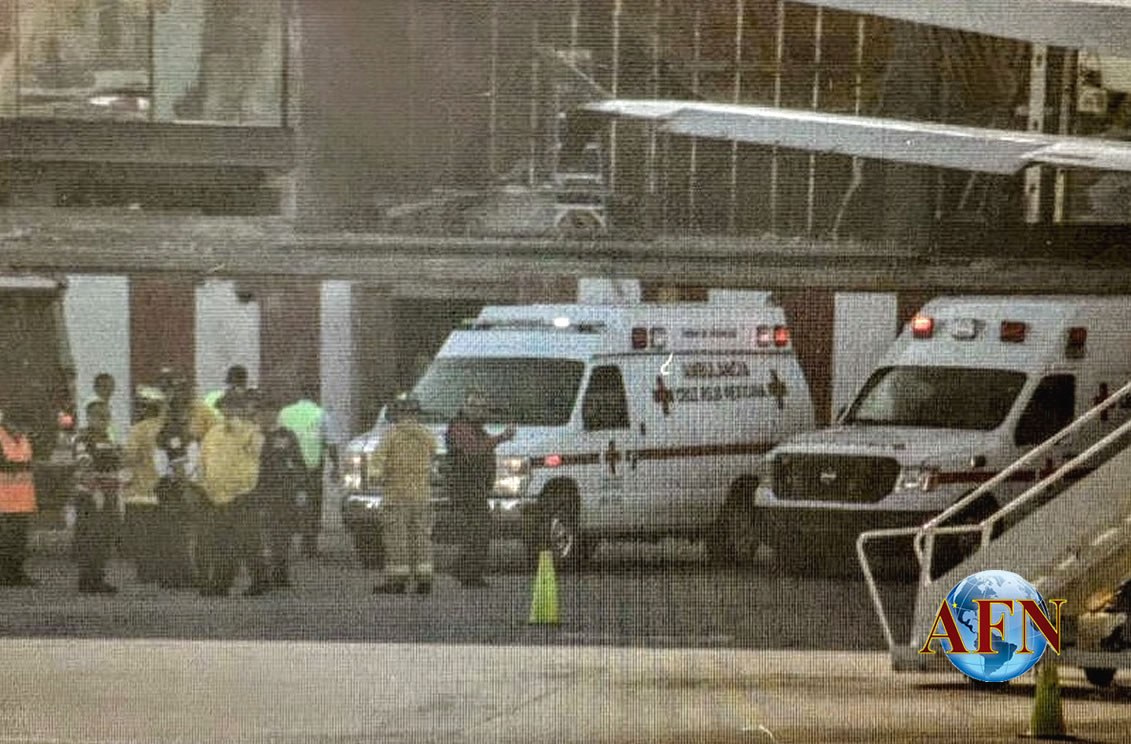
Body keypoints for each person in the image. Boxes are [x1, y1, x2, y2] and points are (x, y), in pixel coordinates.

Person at [198, 391, 267, 597]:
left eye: (234, 407)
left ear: (242, 409)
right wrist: (203, 483)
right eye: (225, 408)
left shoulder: (252, 431)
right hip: (217, 496)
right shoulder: (213, 433)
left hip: (243, 495)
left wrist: (240, 429)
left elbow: (259, 452)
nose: (229, 412)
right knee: (221, 542)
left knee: (249, 541)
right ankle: (220, 584)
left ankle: (260, 581)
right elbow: (204, 459)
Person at [444, 389, 515, 588]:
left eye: (482, 407)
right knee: (477, 531)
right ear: (465, 407)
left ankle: (469, 572)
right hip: (466, 487)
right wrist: (501, 437)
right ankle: (465, 570)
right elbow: (474, 450)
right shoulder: (460, 427)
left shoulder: (474, 428)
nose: (480, 411)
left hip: (475, 486)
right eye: (475, 406)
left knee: (478, 531)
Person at [373, 394, 438, 595]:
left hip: (396, 495)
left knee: (397, 538)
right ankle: (424, 580)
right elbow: (435, 454)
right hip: (421, 496)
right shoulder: (427, 435)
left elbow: (377, 463)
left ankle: (397, 581)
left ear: (399, 414)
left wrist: (376, 478)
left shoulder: (391, 435)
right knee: (421, 537)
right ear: (417, 414)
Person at [278, 382, 338, 558]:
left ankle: (284, 546)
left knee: (287, 505)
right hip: (311, 469)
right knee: (312, 506)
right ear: (316, 395)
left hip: (287, 468)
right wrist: (336, 467)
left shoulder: (285, 412)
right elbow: (331, 443)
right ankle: (309, 547)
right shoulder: (321, 414)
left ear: (300, 393)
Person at [253, 391, 305, 589]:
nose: (267, 416)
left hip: (284, 493)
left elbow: (298, 462)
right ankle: (263, 575)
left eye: (271, 412)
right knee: (262, 536)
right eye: (263, 412)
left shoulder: (286, 435)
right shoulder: (252, 435)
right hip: (259, 492)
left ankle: (281, 574)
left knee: (283, 536)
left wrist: (300, 489)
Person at [71, 400, 120, 594]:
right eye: (101, 416)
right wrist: (96, 491)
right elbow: (84, 466)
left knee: (105, 539)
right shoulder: (84, 438)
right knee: (91, 539)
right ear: (90, 417)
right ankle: (88, 580)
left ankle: (97, 578)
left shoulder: (107, 438)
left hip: (109, 494)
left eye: (107, 416)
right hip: (91, 497)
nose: (105, 420)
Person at [121, 386, 167, 583]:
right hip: (163, 489)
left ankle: (146, 573)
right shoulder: (166, 427)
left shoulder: (138, 430)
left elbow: (129, 457)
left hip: (140, 490)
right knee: (159, 534)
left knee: (142, 536)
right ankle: (160, 570)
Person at [0, 406, 37, 587]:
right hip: (3, 501)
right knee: (5, 540)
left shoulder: (23, 438)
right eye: (22, 425)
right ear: (9, 423)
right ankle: (5, 575)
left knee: (19, 540)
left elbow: (28, 463)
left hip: (22, 500)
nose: (25, 430)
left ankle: (17, 573)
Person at [82, 372, 119, 443]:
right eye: (104, 386)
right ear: (95, 388)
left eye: (111, 386)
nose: (108, 390)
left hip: (110, 444)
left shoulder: (112, 407)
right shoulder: (91, 406)